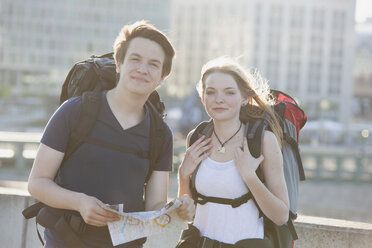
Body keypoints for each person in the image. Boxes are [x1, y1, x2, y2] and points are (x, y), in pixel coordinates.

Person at [28, 21, 194, 248]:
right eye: (135, 59)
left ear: (162, 77)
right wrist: (80, 203)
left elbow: (155, 204)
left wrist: (177, 208)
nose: (143, 69)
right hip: (66, 240)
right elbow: (37, 183)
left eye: (153, 64)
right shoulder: (75, 111)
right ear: (118, 64)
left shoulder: (160, 133)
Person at [177, 57, 290, 247]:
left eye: (229, 92)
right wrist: (183, 175)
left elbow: (281, 216)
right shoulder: (196, 138)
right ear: (203, 98)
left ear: (244, 98)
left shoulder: (263, 141)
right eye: (211, 92)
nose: (219, 99)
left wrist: (249, 176)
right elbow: (186, 213)